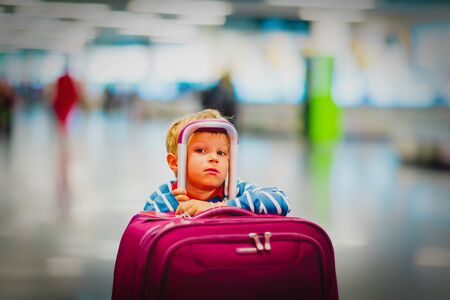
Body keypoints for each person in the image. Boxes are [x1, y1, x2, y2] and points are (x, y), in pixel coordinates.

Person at [143, 109, 290, 216]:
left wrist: (217, 207)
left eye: (221, 153)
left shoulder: (234, 190)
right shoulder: (161, 201)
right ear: (175, 162)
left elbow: (280, 201)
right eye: (200, 150)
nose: (214, 158)